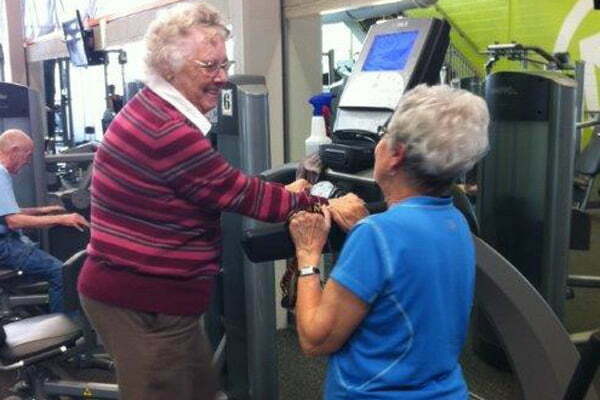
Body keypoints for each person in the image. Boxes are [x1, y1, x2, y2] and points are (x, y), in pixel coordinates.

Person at [76, 3, 363, 400]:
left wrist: (288, 196)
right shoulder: (168, 130)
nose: (223, 78)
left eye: (224, 66)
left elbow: (221, 185)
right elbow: (237, 193)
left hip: (156, 299)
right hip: (142, 301)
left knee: (200, 389)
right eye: (209, 67)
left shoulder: (155, 108)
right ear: (169, 67)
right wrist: (325, 207)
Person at [289, 84, 490, 399]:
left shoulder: (376, 235)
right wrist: (370, 234)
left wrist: (307, 254)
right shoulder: (456, 222)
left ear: (396, 154)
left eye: (384, 133)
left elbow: (315, 339)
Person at [0, 129, 89, 313]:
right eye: (28, 155)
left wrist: (42, 211)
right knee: (62, 274)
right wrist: (64, 218)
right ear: (14, 150)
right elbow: (14, 221)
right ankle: (63, 329)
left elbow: (7, 212)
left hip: (8, 243)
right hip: (5, 247)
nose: (28, 161)